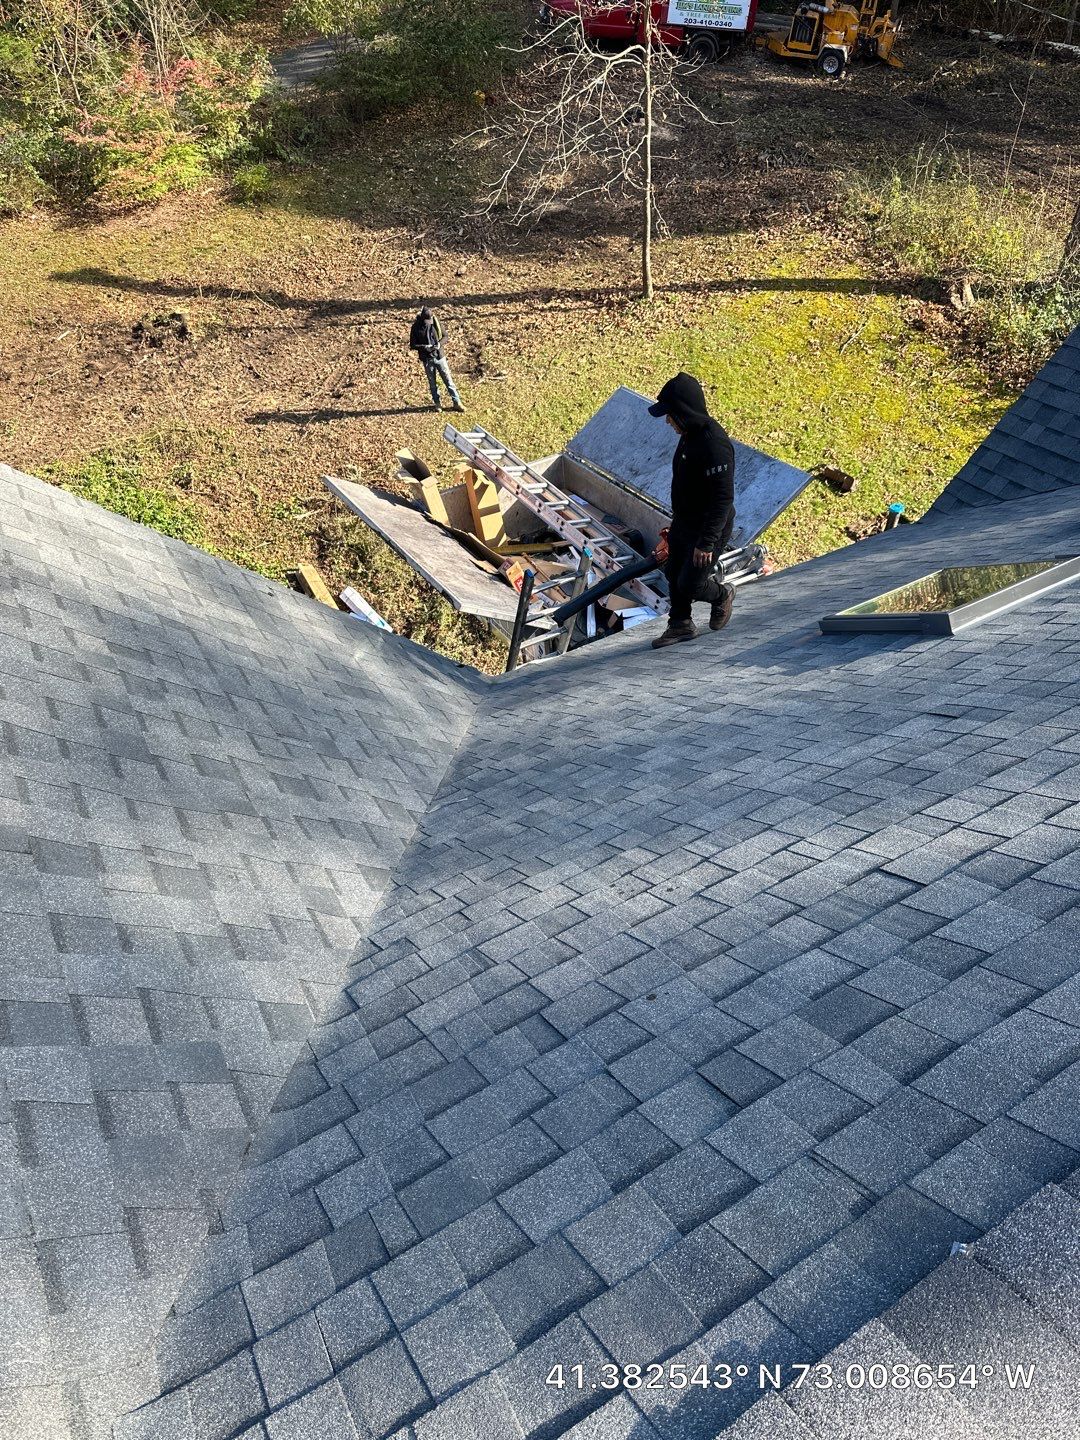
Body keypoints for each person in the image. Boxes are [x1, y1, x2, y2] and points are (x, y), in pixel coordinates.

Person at [647, 372, 736, 649]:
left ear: (683, 411)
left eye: (671, 414)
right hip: (685, 521)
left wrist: (707, 541)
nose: (668, 421)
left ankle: (722, 595)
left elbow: (722, 498)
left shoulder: (714, 445)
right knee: (673, 571)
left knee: (691, 583)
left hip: (709, 526)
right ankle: (680, 624)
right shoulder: (689, 434)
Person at [409, 306, 465, 413]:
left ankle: (457, 402)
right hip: (427, 359)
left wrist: (439, 344)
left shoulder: (436, 323)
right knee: (433, 383)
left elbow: (445, 336)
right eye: (426, 321)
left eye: (429, 320)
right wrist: (423, 347)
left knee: (448, 380)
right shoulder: (415, 327)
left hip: (439, 356)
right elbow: (412, 344)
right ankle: (437, 403)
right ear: (421, 318)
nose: (428, 323)